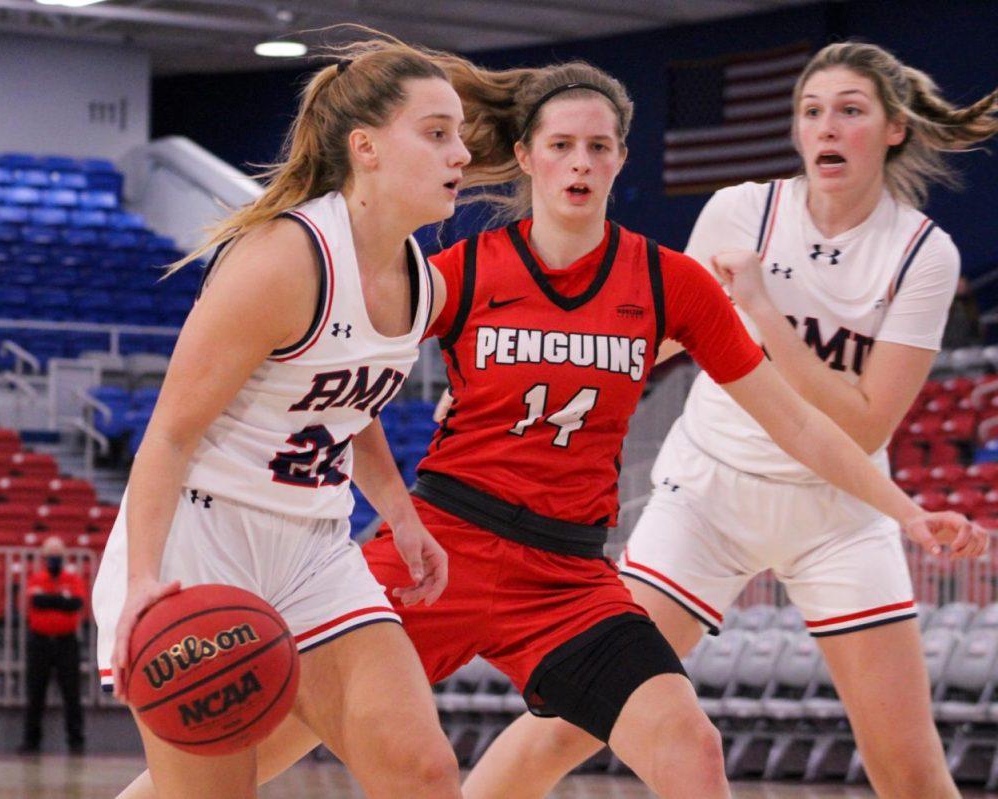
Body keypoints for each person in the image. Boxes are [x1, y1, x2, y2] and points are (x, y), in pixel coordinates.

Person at [117, 55, 987, 799]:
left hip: (567, 572)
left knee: (691, 746)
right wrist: (403, 510)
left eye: (598, 147)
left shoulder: (669, 282)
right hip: (450, 542)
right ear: (528, 157)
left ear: (620, 160)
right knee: (256, 728)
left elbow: (798, 421)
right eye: (561, 145)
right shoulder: (450, 273)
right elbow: (334, 388)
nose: (579, 163)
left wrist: (902, 508)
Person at [467, 42, 998, 799]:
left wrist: (759, 310)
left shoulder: (923, 253)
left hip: (838, 511)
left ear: (893, 130)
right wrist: (542, 398)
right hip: (707, 494)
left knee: (911, 770)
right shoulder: (742, 208)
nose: (826, 129)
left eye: (850, 112)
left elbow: (866, 426)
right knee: (571, 720)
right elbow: (660, 336)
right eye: (811, 112)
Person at [90, 33, 472, 799]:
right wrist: (141, 581)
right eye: (436, 133)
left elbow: (344, 399)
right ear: (365, 147)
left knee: (424, 771)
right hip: (203, 541)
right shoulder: (281, 259)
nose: (460, 153)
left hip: (313, 546)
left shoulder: (422, 282)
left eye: (459, 134)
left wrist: (398, 511)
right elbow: (168, 433)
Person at [19, 535, 87, 755]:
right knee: (35, 693)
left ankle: (76, 741)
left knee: (72, 694)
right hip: (39, 642)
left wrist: (51, 599)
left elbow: (75, 604)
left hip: (67, 643)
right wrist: (60, 600)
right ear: (43, 557)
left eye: (57, 556)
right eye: (50, 556)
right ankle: (31, 742)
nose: (54, 559)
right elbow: (36, 602)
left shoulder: (73, 579)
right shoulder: (36, 578)